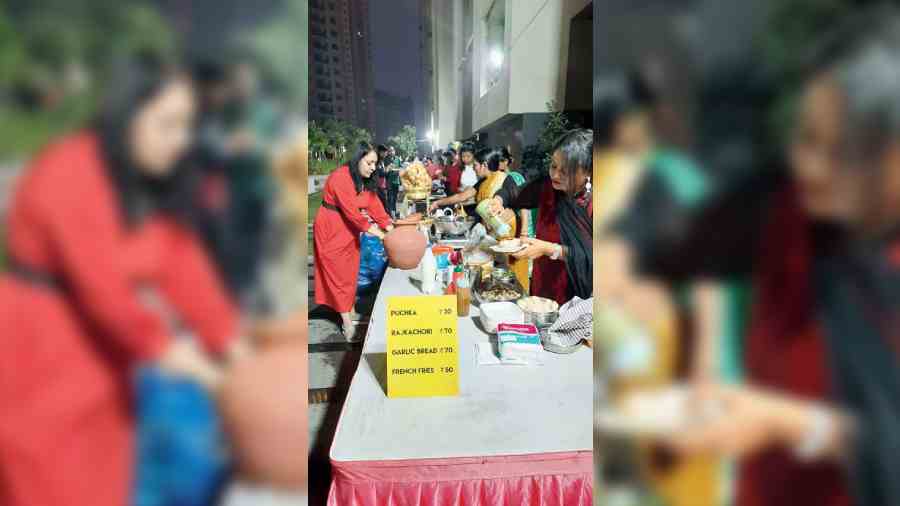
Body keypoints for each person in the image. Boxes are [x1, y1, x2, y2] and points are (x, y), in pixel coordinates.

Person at [649, 8, 900, 506]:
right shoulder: (798, 205)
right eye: (805, 137)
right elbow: (711, 250)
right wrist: (706, 364)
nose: (809, 165)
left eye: (838, 150)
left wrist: (783, 423)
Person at [0, 54, 246, 506]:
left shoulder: (147, 184)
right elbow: (103, 290)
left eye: (186, 126)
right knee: (46, 482)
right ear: (128, 113)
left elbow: (182, 265)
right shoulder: (69, 170)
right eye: (167, 124)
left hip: (104, 366)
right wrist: (185, 361)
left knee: (107, 480)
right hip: (35, 355)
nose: (180, 140)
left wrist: (233, 346)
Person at [491, 129, 593, 303]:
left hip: (575, 295)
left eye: (565, 171)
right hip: (542, 285)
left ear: (588, 172)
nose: (555, 175)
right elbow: (515, 192)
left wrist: (549, 249)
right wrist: (499, 200)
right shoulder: (548, 187)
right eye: (553, 166)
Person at [314, 142, 394, 340]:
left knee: (350, 273)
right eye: (369, 163)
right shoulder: (341, 177)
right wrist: (378, 232)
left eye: (375, 163)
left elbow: (374, 205)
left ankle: (347, 310)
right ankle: (347, 324)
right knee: (338, 275)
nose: (373, 167)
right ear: (358, 159)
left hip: (349, 230)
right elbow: (351, 212)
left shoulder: (364, 179)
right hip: (331, 228)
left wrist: (391, 228)